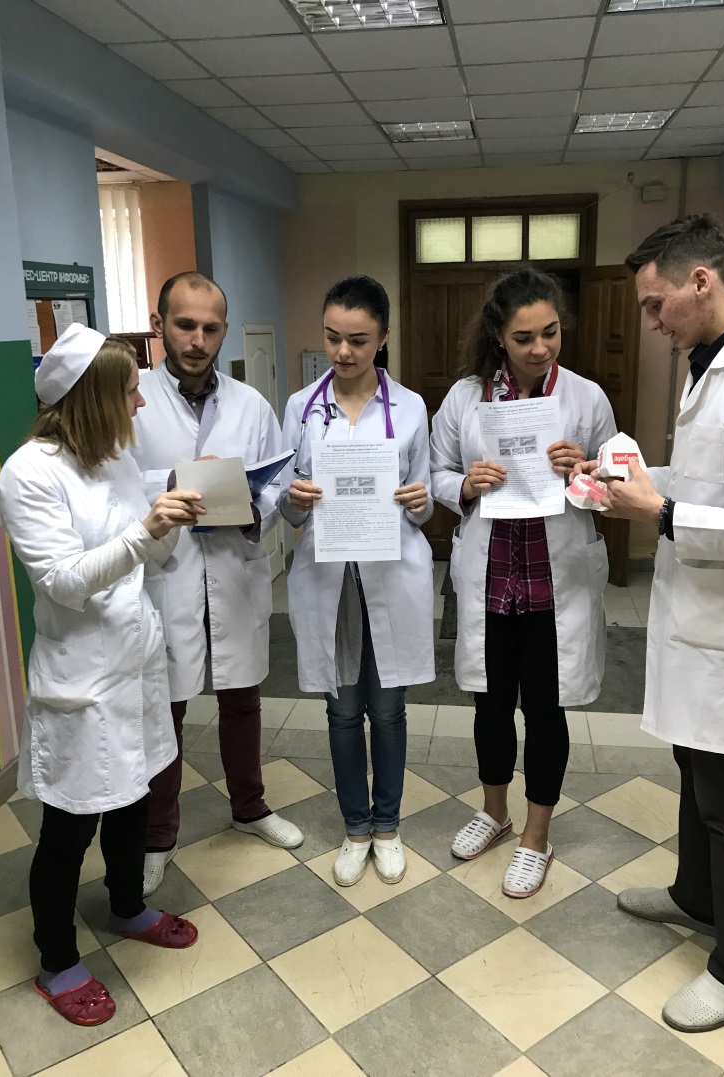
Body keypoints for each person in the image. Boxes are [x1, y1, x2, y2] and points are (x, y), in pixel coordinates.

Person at [576, 214, 724, 1033]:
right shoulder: (709, 365)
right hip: (697, 616)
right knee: (694, 772)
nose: (650, 323)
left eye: (655, 304)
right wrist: (627, 478)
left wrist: (657, 513)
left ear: (700, 281)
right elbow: (702, 481)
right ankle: (696, 896)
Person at [0, 325, 203, 1026]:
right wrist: (146, 530)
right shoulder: (28, 474)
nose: (141, 402)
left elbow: (141, 556)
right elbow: (62, 580)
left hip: (134, 666)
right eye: (131, 390)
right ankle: (56, 960)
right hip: (81, 679)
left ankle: (126, 906)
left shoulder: (113, 456)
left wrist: (168, 519)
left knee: (134, 798)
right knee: (68, 828)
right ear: (94, 398)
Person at [430, 267, 616, 898]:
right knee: (489, 706)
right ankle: (495, 812)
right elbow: (436, 472)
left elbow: (615, 486)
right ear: (498, 337)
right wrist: (465, 484)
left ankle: (536, 836)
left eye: (551, 333)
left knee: (544, 709)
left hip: (553, 583)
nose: (540, 348)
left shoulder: (586, 398)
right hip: (490, 580)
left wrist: (583, 470)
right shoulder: (466, 398)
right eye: (524, 337)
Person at [131, 271, 303, 895]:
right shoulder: (134, 400)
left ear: (225, 330)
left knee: (242, 697)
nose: (197, 340)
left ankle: (249, 807)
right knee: (166, 706)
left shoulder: (251, 404)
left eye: (210, 327)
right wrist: (165, 490)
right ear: (159, 326)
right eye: (184, 325)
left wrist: (256, 504)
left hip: (232, 567)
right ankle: (158, 834)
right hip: (168, 571)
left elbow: (279, 481)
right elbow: (114, 485)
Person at [280, 275, 435, 886]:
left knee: (389, 710)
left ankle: (388, 827)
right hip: (328, 576)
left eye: (359, 340)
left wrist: (421, 501)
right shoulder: (300, 408)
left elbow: (423, 504)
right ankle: (355, 829)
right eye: (332, 337)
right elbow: (287, 508)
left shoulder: (411, 408)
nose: (342, 352)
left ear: (384, 338)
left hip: (390, 572)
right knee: (343, 711)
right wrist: (293, 499)